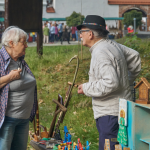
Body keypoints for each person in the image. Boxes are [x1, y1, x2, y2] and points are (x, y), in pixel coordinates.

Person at [77, 15, 141, 150]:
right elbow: (135, 56)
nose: (80, 36)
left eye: (81, 32)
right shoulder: (111, 45)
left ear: (90, 34)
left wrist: (86, 88)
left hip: (109, 115)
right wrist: (126, 82)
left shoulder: (100, 52)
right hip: (122, 109)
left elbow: (111, 82)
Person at [0, 26, 37, 150]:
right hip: (6, 120)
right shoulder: (0, 60)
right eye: (23, 42)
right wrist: (9, 77)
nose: (26, 45)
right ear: (11, 43)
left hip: (23, 119)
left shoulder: (20, 61)